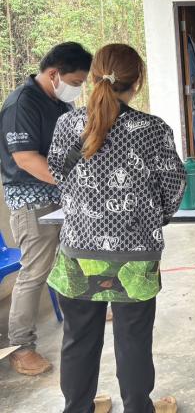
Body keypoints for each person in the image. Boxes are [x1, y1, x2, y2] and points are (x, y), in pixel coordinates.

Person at [47, 44, 185, 413]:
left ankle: (77, 408)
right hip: (136, 253)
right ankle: (138, 408)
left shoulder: (67, 125)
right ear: (137, 82)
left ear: (94, 78)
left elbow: (58, 175)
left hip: (78, 251)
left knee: (78, 340)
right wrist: (151, 221)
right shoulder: (153, 130)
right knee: (134, 341)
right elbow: (173, 188)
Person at [1, 42, 92, 375]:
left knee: (74, 258)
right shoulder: (21, 104)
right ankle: (21, 347)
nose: (77, 88)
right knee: (35, 272)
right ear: (54, 73)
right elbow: (26, 158)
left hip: (61, 196)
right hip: (32, 202)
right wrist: (70, 181)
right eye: (76, 81)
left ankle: (81, 311)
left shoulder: (59, 102)